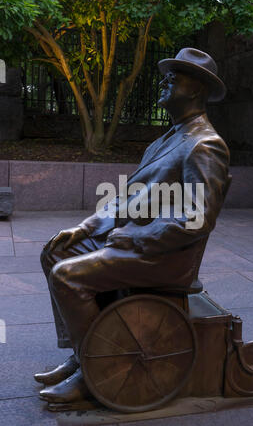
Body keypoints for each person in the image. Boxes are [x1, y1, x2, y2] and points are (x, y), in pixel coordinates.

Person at [35, 48, 230, 404]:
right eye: (168, 73)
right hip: (135, 243)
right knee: (56, 251)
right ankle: (84, 354)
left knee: (67, 275)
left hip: (165, 257)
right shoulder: (164, 140)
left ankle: (95, 374)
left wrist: (132, 238)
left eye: (177, 75)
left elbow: (197, 218)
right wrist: (85, 227)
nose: (165, 79)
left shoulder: (205, 145)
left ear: (198, 90)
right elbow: (126, 199)